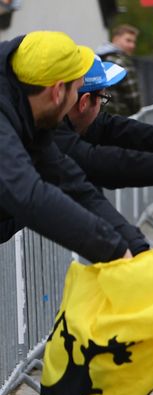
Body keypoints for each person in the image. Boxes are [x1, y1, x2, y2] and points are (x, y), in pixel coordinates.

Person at [0, 31, 143, 263]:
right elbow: (31, 196)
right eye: (76, 90)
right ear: (57, 92)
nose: (78, 99)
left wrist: (135, 246)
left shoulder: (29, 111)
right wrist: (115, 251)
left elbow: (73, 183)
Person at [56, 55, 153, 190]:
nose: (101, 111)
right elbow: (99, 163)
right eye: (103, 98)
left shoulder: (61, 121)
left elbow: (109, 127)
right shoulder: (51, 136)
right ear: (84, 102)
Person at [95, 24, 142, 116]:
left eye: (134, 42)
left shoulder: (97, 59)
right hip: (119, 117)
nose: (132, 45)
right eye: (128, 40)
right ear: (115, 39)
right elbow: (133, 97)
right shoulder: (122, 62)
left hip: (98, 116)